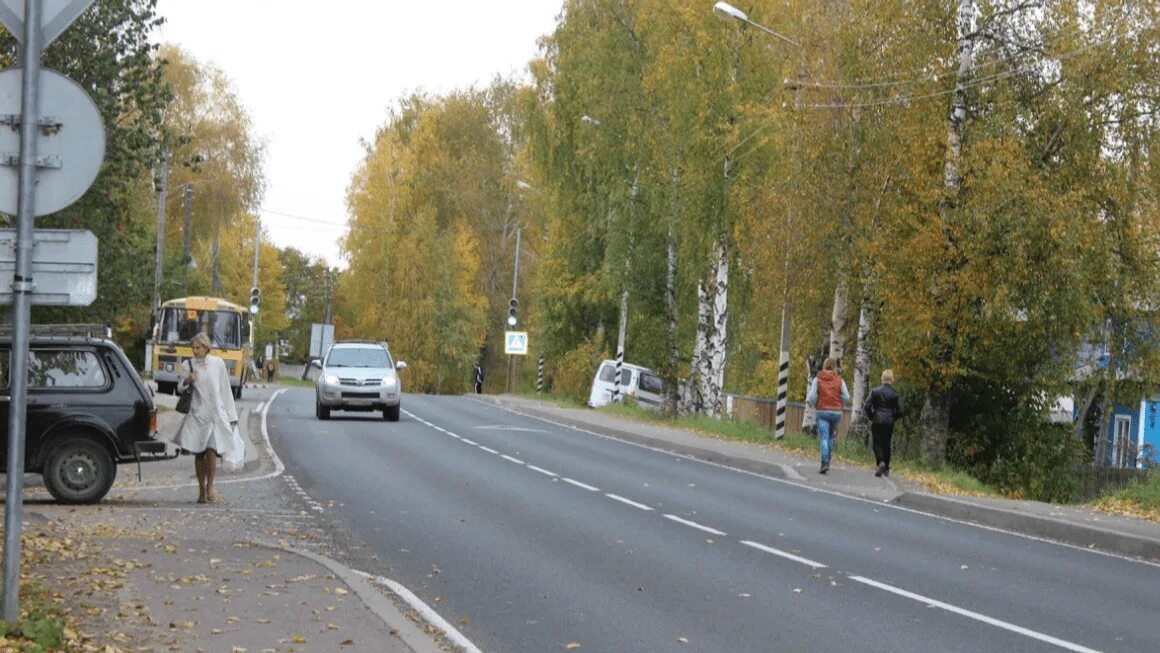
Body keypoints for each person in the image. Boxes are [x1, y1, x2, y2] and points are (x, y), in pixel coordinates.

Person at [174, 332, 240, 503]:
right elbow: (179, 389)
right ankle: (201, 490)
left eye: (198, 348)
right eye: (193, 348)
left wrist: (231, 415)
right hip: (198, 415)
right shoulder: (188, 365)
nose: (195, 351)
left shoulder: (218, 364)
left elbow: (225, 389)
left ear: (206, 347)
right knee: (199, 452)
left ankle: (210, 487)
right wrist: (188, 380)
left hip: (215, 415)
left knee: (211, 451)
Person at [807, 357, 849, 474]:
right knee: (830, 436)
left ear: (824, 366)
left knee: (824, 437)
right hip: (836, 413)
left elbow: (811, 397)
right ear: (835, 367)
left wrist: (816, 402)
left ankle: (825, 461)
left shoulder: (818, 379)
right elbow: (846, 397)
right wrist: (837, 399)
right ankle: (828, 460)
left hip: (822, 412)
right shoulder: (840, 380)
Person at [863, 369, 903, 477]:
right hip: (889, 421)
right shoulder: (895, 394)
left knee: (876, 443)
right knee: (887, 444)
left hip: (877, 419)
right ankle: (886, 467)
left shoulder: (875, 391)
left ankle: (880, 462)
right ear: (892, 379)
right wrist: (893, 418)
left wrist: (872, 416)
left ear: (882, 378)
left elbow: (866, 406)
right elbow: (900, 411)